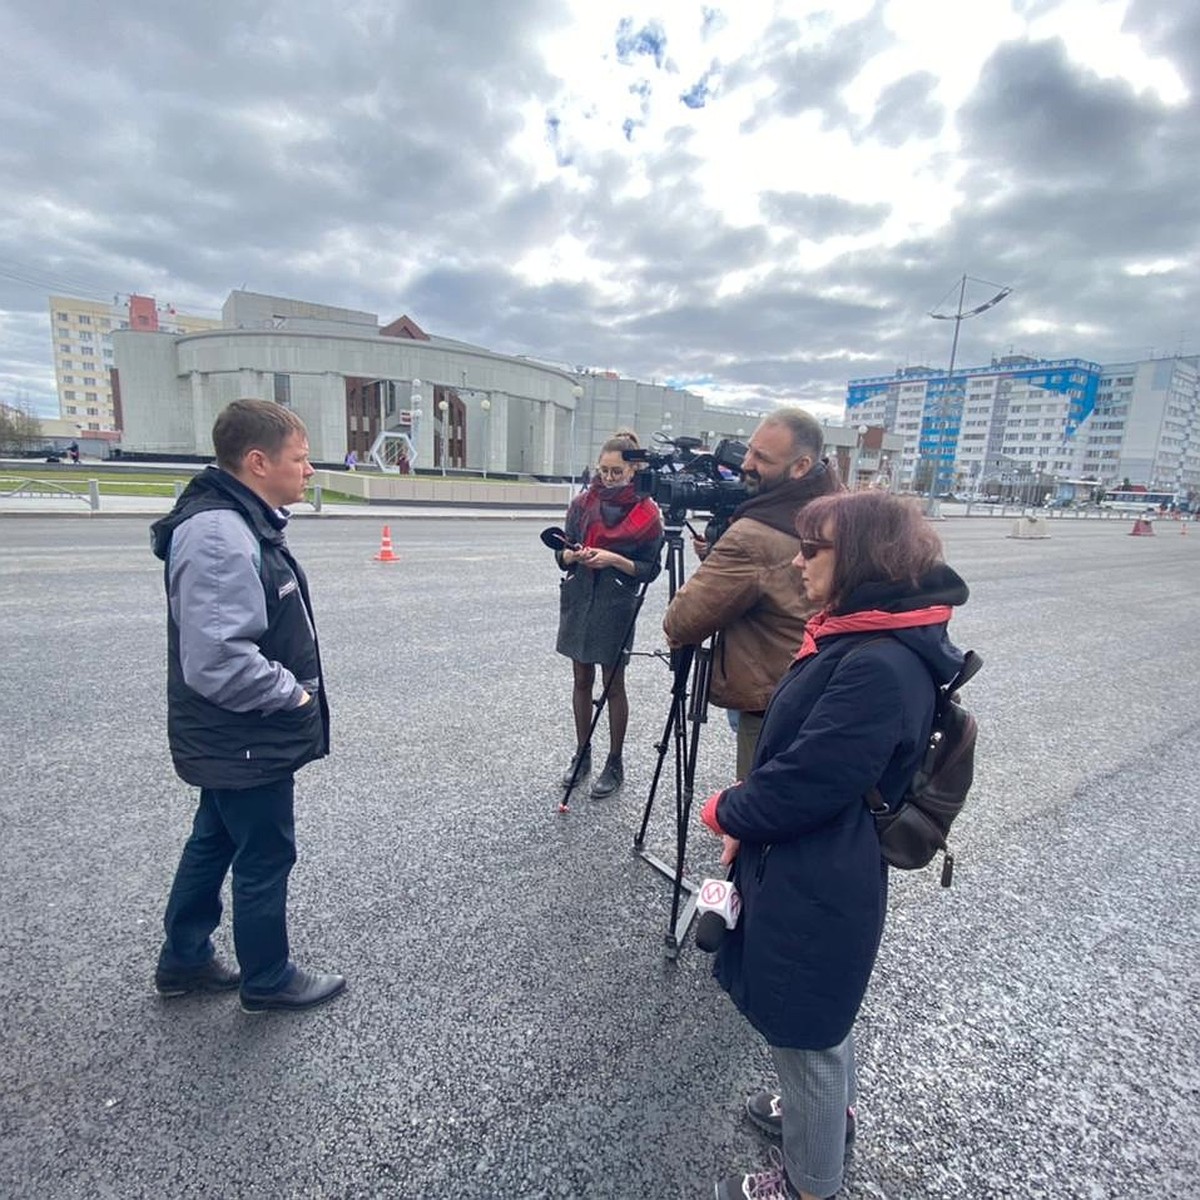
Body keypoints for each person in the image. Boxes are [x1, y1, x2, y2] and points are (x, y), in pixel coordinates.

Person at [700, 490, 970, 1200]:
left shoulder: (877, 664)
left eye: (812, 548)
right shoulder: (864, 636)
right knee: (822, 1007)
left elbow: (808, 781)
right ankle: (825, 1116)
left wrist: (727, 809)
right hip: (814, 857)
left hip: (819, 869)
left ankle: (809, 1186)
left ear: (859, 558)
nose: (797, 560)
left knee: (808, 1030)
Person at [149, 399, 345, 1014]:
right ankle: (267, 978)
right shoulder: (217, 533)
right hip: (245, 733)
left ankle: (184, 958)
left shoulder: (238, 519)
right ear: (258, 462)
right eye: (300, 458)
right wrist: (294, 695)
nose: (309, 470)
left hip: (232, 735)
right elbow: (218, 661)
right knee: (264, 852)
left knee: (214, 837)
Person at [662, 409, 841, 779]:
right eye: (750, 450)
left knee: (757, 808)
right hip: (826, 690)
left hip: (770, 699)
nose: (747, 464)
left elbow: (683, 621)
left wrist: (727, 550)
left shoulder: (754, 533)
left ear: (800, 466)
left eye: (762, 458)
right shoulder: (841, 508)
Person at [555, 430, 664, 797]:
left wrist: (613, 558)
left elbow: (651, 569)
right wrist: (571, 555)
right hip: (580, 594)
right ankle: (582, 753)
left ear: (634, 471)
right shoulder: (582, 504)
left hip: (616, 603)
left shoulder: (647, 513)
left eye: (616, 471)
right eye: (603, 470)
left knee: (613, 684)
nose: (608, 478)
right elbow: (562, 553)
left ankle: (614, 762)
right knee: (580, 679)